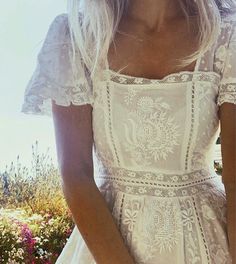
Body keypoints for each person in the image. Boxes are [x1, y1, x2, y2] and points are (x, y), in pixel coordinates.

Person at [21, 0, 236, 263]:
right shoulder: (76, 37)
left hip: (207, 242)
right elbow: (75, 174)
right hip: (106, 247)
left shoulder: (225, 31)